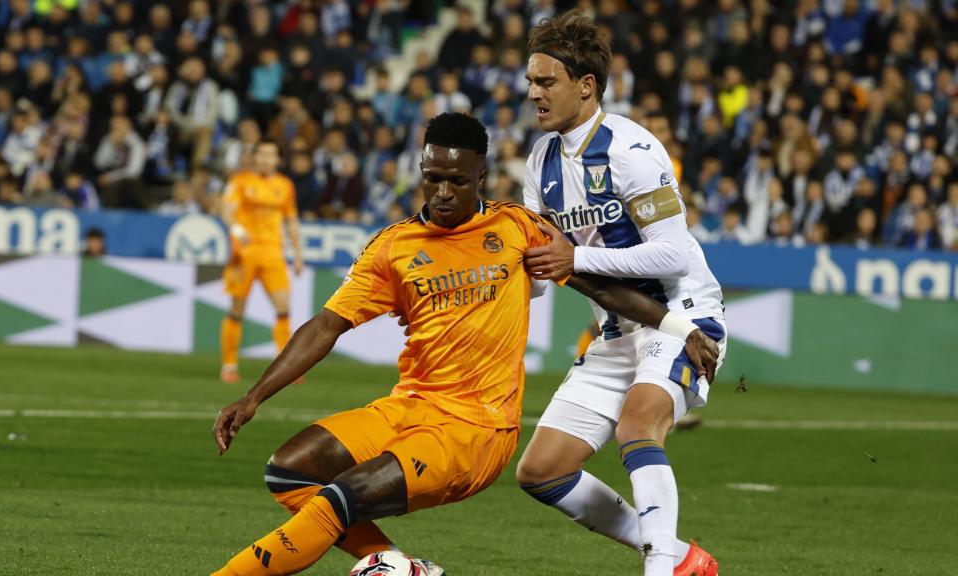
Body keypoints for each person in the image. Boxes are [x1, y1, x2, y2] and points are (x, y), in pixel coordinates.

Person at [209, 113, 719, 576]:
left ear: (482, 177)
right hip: (409, 406)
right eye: (433, 179)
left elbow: (598, 286)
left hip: (476, 428)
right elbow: (325, 326)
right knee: (289, 472)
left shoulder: (517, 227)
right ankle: (401, 569)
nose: (444, 192)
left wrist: (679, 329)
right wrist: (252, 397)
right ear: (421, 171)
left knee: (343, 496)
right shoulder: (393, 246)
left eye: (458, 181)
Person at [516, 11, 727, 576]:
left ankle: (660, 568)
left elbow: (673, 254)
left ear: (587, 86)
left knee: (638, 425)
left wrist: (575, 256)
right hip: (616, 330)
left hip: (680, 314)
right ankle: (678, 556)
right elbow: (540, 274)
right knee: (541, 471)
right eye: (531, 82)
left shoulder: (633, 151)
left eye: (546, 82)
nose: (533, 93)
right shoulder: (540, 161)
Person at [219, 141, 304, 384]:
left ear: (278, 159)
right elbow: (226, 210)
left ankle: (285, 366)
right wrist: (235, 227)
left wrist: (298, 254)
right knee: (237, 309)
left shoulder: (285, 185)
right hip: (244, 253)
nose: (267, 159)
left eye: (272, 155)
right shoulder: (241, 181)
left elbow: (291, 220)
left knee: (283, 306)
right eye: (263, 155)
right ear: (254, 157)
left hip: (272, 253)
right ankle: (229, 365)